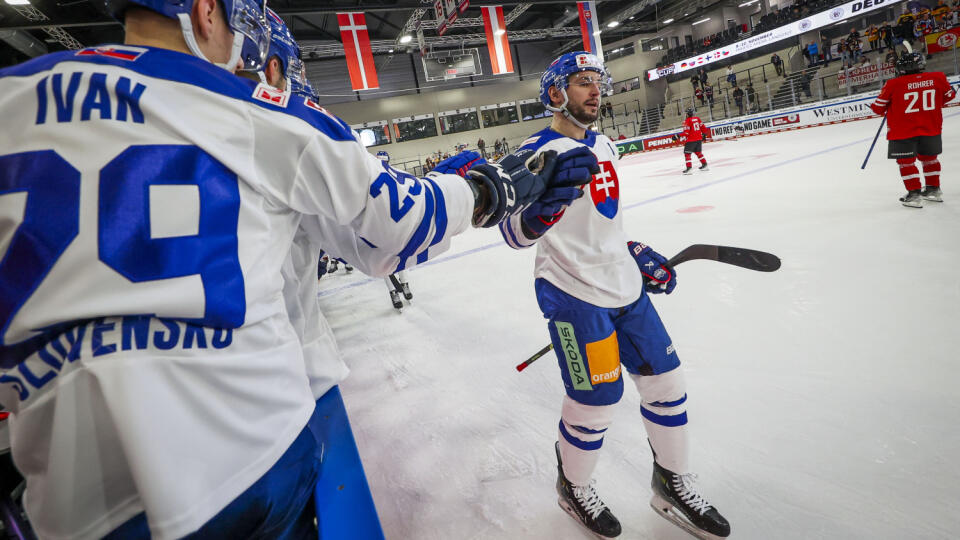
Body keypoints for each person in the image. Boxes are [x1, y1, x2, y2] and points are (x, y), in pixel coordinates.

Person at [0, 0, 598, 537]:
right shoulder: (255, 112)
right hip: (250, 455)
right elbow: (397, 226)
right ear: (209, 13)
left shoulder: (10, 98)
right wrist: (485, 189)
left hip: (72, 496)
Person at [499, 51, 730, 540]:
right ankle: (574, 486)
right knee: (597, 399)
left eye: (597, 83)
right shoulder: (532, 153)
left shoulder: (605, 144)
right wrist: (545, 209)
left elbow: (602, 223)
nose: (595, 92)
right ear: (556, 93)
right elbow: (516, 235)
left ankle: (671, 483)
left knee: (667, 383)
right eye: (583, 82)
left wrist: (635, 251)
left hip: (623, 284)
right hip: (570, 291)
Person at [870, 51, 956, 207]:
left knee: (906, 163)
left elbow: (877, 108)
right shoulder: (938, 77)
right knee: (930, 159)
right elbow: (950, 95)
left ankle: (914, 195)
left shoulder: (893, 84)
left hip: (903, 131)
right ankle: (933, 190)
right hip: (931, 127)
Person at [679, 108, 711, 174]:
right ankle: (705, 165)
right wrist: (704, 135)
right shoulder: (697, 119)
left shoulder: (687, 121)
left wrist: (677, 136)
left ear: (687, 114)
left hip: (691, 140)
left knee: (687, 154)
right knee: (698, 152)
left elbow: (686, 133)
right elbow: (704, 128)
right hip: (699, 139)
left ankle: (689, 168)